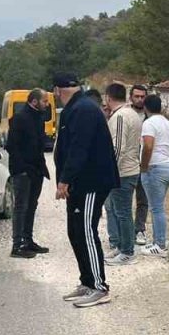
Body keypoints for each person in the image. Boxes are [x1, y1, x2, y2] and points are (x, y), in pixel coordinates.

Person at [52, 73, 120, 308]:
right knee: (75, 231)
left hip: (91, 182)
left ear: (57, 90)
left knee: (86, 231)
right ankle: (87, 281)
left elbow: (79, 149)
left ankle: (99, 287)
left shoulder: (83, 110)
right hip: (79, 184)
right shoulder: (75, 108)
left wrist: (64, 180)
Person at [2, 88, 51, 258]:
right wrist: (23, 168)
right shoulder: (20, 118)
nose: (47, 104)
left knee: (31, 206)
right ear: (35, 101)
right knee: (21, 207)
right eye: (44, 101)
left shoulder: (39, 118)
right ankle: (17, 246)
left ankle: (28, 240)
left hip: (36, 170)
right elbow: (12, 146)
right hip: (23, 171)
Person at [102, 83, 144, 266]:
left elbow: (118, 147)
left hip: (122, 172)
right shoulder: (133, 114)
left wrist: (109, 171)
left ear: (108, 97)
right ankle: (121, 247)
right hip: (130, 169)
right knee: (121, 211)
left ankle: (127, 252)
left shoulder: (120, 116)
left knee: (123, 212)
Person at [139, 94, 169, 256]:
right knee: (158, 206)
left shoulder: (149, 123)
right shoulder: (168, 124)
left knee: (156, 208)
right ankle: (158, 241)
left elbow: (148, 146)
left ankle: (160, 244)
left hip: (155, 168)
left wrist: (144, 166)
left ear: (146, 108)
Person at [129, 84, 150, 246]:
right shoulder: (125, 114)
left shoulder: (151, 117)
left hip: (145, 163)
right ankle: (125, 231)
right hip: (128, 163)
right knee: (124, 200)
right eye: (137, 96)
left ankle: (139, 229)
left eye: (142, 97)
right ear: (131, 97)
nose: (139, 99)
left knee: (143, 199)